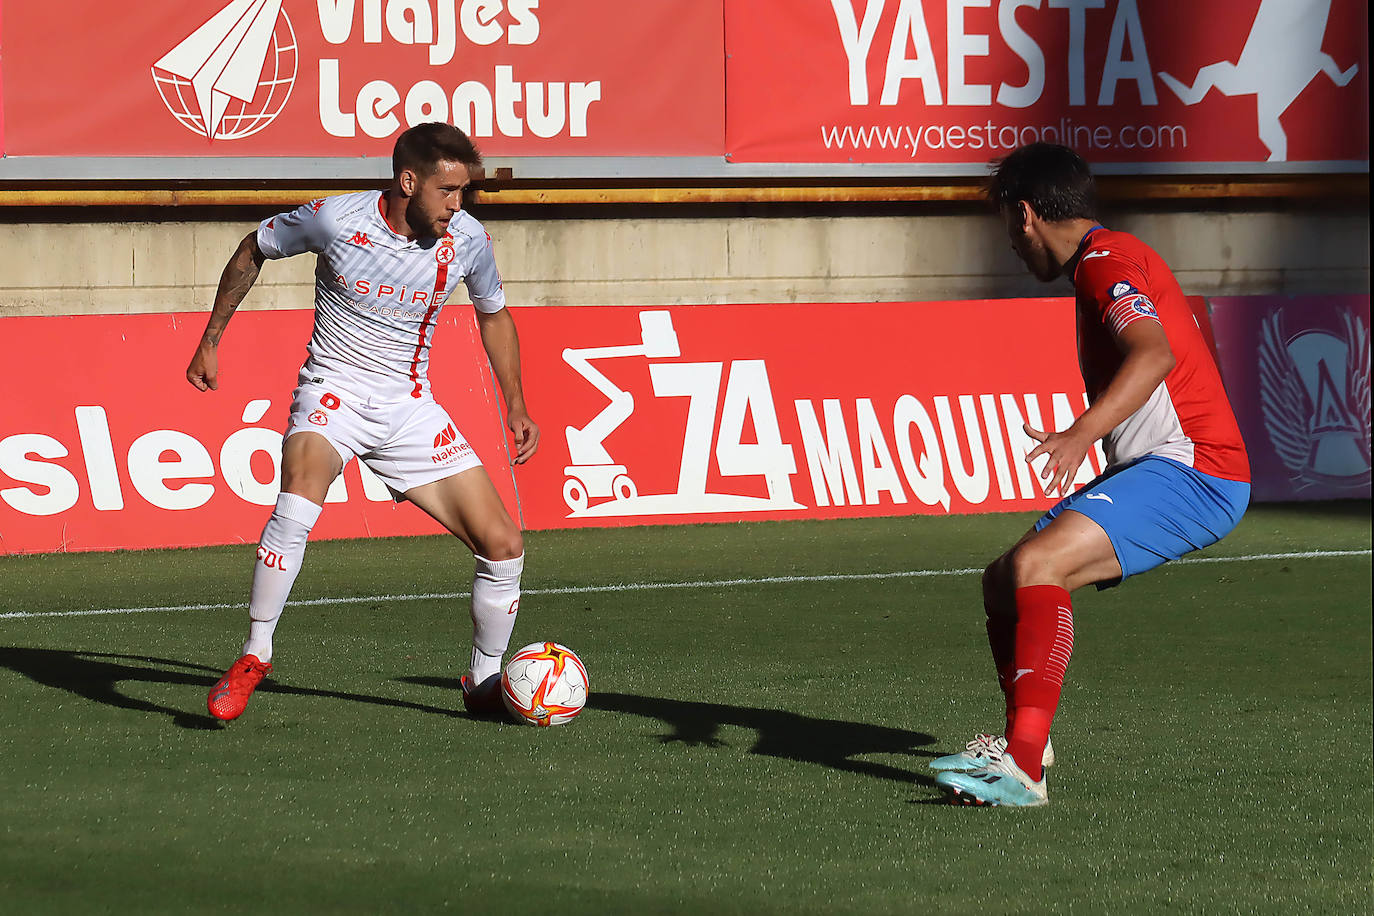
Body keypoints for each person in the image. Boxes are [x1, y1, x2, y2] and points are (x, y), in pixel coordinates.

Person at [931, 143, 1251, 806]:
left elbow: (1154, 351)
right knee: (1001, 582)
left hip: (1195, 472)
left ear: (1025, 216)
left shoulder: (1105, 263)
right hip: (1169, 467)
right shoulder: (1108, 261)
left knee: (1037, 567)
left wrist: (1081, 434)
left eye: (1007, 232)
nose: (1014, 251)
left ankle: (1022, 770)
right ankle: (1030, 741)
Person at [187, 122, 539, 722]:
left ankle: (482, 682)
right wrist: (211, 339)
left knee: (504, 546)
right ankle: (255, 654)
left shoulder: (469, 240)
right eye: (448, 190)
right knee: (298, 494)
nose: (458, 204)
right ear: (409, 182)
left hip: (409, 407)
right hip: (334, 392)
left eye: (464, 192)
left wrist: (515, 403)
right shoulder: (336, 219)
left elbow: (495, 315)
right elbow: (254, 247)